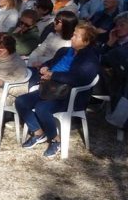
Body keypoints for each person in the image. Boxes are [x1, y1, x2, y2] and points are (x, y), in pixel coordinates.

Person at [15, 21, 101, 158]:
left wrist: (53, 75)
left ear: (86, 41)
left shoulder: (90, 59)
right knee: (21, 101)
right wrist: (44, 67)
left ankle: (56, 139)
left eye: (76, 36)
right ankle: (38, 133)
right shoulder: (65, 51)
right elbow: (51, 63)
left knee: (42, 108)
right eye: (73, 34)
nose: (72, 38)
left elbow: (80, 79)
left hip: (69, 95)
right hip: (50, 89)